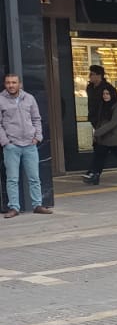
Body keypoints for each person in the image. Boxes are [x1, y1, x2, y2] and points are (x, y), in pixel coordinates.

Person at [0, 73, 51, 217]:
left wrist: (38, 137)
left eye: (14, 82)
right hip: (12, 145)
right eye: (8, 82)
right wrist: (5, 142)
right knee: (12, 179)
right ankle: (14, 208)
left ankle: (37, 205)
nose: (11, 85)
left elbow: (37, 119)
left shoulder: (29, 98)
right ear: (5, 84)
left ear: (20, 84)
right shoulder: (1, 100)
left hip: (30, 145)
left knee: (34, 177)